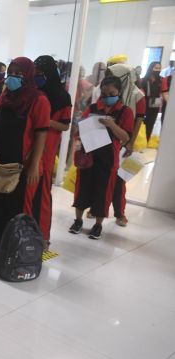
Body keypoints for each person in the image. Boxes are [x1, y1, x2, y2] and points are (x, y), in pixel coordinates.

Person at [0, 57, 50, 256]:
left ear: (28, 76)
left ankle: (13, 248)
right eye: (11, 72)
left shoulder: (39, 100)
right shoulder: (4, 98)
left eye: (19, 74)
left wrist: (34, 164)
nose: (13, 77)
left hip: (22, 165)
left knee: (17, 208)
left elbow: (41, 135)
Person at [69, 76, 133, 239]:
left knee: (103, 192)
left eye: (112, 93)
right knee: (82, 189)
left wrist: (112, 125)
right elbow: (79, 129)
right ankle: (78, 220)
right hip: (89, 156)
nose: (107, 97)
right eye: (104, 94)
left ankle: (98, 225)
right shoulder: (92, 108)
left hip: (108, 159)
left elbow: (125, 137)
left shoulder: (125, 112)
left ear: (119, 92)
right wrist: (81, 135)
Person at [34, 55, 72, 250]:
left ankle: (43, 236)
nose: (37, 77)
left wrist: (44, 121)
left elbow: (65, 126)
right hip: (29, 148)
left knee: (42, 195)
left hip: (46, 151)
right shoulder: (32, 92)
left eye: (41, 74)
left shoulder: (61, 96)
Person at [107, 63, 146, 227]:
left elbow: (139, 120)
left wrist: (130, 142)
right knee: (102, 178)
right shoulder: (107, 91)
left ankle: (119, 213)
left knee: (119, 180)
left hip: (124, 141)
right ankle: (97, 209)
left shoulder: (138, 95)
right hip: (106, 140)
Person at [138, 61, 167, 142]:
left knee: (150, 123)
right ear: (151, 68)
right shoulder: (143, 80)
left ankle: (146, 140)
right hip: (144, 103)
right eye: (155, 68)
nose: (157, 70)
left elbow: (164, 92)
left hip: (155, 105)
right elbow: (140, 91)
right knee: (140, 122)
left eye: (159, 68)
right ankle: (138, 139)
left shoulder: (162, 80)